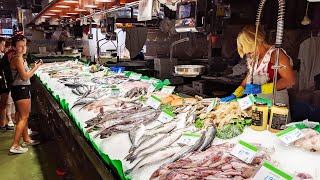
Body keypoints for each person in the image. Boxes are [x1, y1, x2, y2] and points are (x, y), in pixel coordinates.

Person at [221, 26, 295, 109]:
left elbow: (289, 81)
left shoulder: (276, 54)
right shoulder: (254, 57)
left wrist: (262, 88)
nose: (250, 53)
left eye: (250, 49)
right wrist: (235, 94)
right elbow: (248, 78)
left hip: (276, 103)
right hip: (257, 102)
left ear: (256, 41)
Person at [9, 35, 43, 154]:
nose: (23, 48)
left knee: (22, 116)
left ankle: (26, 139)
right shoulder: (17, 59)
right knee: (23, 117)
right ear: (14, 47)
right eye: (20, 46)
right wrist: (36, 67)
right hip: (21, 89)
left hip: (20, 88)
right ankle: (15, 145)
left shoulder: (20, 58)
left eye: (24, 45)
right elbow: (25, 76)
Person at [0, 37, 14, 131]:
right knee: (3, 103)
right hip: (2, 82)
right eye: (3, 45)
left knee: (4, 103)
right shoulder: (2, 56)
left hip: (4, 82)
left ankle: (4, 123)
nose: (4, 47)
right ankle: (2, 125)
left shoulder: (3, 54)